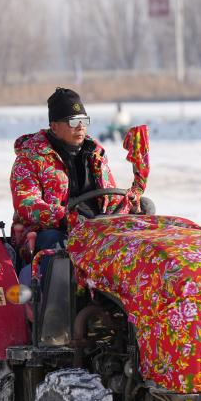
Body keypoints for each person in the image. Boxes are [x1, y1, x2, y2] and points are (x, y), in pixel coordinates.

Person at [10, 87, 124, 282]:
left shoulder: (95, 154)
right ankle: (56, 300)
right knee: (56, 242)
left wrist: (126, 207)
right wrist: (64, 218)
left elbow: (110, 196)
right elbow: (26, 202)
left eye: (84, 121)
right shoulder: (31, 158)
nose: (80, 127)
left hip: (96, 225)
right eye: (73, 121)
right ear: (54, 127)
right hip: (50, 229)